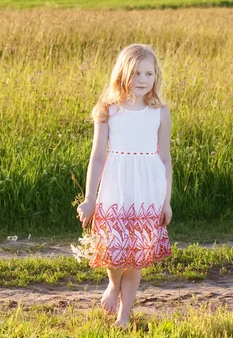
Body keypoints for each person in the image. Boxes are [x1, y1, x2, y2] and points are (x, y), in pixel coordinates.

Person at [76, 43, 173, 328]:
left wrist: (166, 201)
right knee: (114, 247)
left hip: (148, 187)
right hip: (116, 185)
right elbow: (96, 157)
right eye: (136, 73)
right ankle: (112, 284)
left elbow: (166, 159)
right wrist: (89, 199)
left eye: (149, 74)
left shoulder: (160, 113)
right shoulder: (108, 110)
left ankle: (125, 315)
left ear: (156, 77)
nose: (143, 80)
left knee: (137, 254)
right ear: (122, 74)